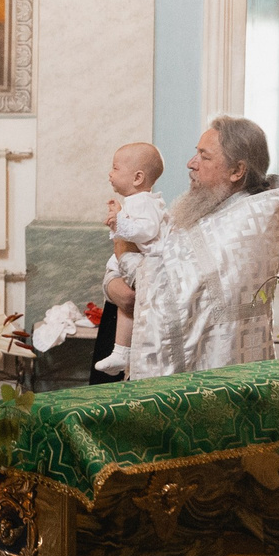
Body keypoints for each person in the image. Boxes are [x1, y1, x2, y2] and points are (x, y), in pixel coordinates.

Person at [117, 117, 279, 380]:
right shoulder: (221, 210)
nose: (191, 163)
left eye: (204, 156)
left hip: (218, 372)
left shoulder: (242, 225)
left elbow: (171, 290)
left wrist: (124, 253)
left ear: (237, 171)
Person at [95, 142, 167, 379]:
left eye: (115, 168)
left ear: (137, 177)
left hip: (140, 263)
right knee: (124, 306)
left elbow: (146, 229)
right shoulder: (136, 201)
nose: (110, 173)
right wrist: (119, 212)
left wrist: (120, 224)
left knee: (127, 305)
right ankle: (120, 351)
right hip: (128, 263)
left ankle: (121, 351)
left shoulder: (145, 201)